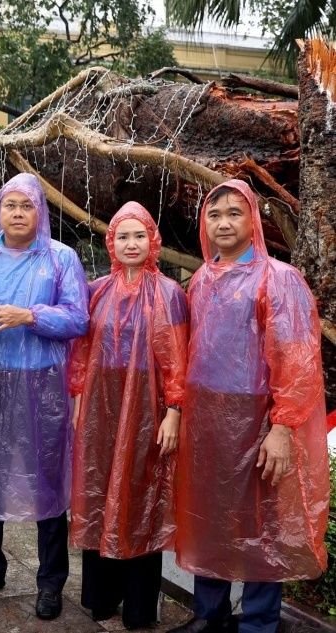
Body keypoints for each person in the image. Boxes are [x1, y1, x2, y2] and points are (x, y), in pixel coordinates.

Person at [169, 179, 328, 633]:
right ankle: (210, 614)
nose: (223, 222)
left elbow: (296, 360)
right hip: (207, 420)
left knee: (263, 521)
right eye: (214, 214)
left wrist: (283, 426)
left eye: (234, 213)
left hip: (258, 419)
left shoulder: (279, 280)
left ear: (252, 219)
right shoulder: (201, 279)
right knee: (208, 514)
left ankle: (258, 621)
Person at [0, 173, 88, 620]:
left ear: (40, 212)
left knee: (48, 479)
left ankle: (51, 582)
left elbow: (78, 319)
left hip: (43, 385)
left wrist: (29, 315)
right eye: (10, 205)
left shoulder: (61, 259)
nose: (17, 213)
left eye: (26, 206)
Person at [68, 203, 188, 629]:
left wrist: (173, 410)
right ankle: (101, 596)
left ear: (152, 240)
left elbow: (177, 358)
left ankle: (139, 604)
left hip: (146, 410)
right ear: (111, 242)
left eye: (139, 236)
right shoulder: (97, 290)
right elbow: (81, 351)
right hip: (102, 407)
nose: (131, 244)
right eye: (123, 236)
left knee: (141, 495)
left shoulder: (170, 293)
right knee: (99, 488)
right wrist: (79, 395)